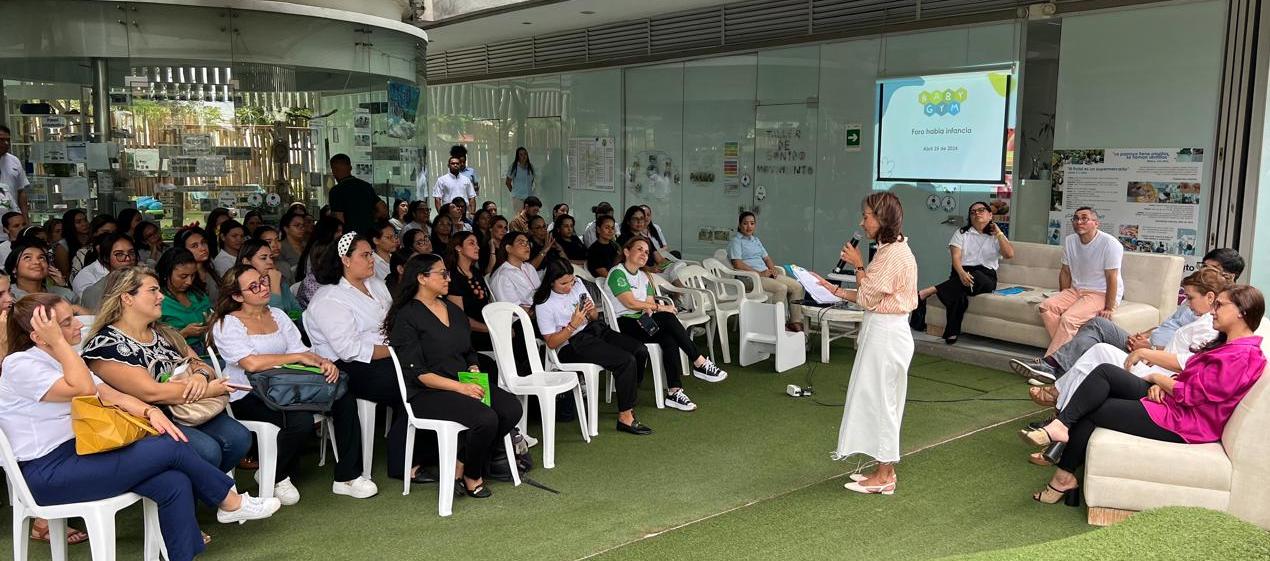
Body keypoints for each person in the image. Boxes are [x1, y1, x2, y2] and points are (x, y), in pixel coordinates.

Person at [0, 294, 279, 561]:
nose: (77, 324)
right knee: (172, 445)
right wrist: (59, 345)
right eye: (65, 323)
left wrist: (150, 411)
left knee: (174, 481)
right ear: (39, 336)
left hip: (83, 455)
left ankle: (183, 555)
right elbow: (82, 388)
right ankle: (229, 501)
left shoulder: (64, 358)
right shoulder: (20, 364)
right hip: (48, 473)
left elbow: (108, 394)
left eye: (72, 317)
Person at [1019, 285, 1265, 505]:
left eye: (1220, 305)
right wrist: (1166, 382)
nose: (1213, 311)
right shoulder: (1230, 346)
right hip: (1174, 402)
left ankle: (1063, 477)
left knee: (1093, 409)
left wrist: (1158, 379)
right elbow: (1193, 377)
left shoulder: (1240, 356)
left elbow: (1193, 395)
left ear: (1242, 311)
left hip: (1185, 422)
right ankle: (1061, 426)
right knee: (1106, 373)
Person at [210, 265, 378, 502]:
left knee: (342, 397)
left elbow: (302, 351)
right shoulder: (227, 323)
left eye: (263, 281)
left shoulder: (277, 315)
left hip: (288, 386)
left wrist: (322, 363)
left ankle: (347, 477)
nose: (263, 288)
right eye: (254, 286)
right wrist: (297, 358)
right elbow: (251, 364)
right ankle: (275, 475)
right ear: (237, 296)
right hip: (248, 394)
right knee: (300, 420)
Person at [82, 266, 252, 473]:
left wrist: (200, 377)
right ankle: (213, 495)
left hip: (186, 410)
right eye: (153, 290)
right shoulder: (106, 345)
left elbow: (201, 364)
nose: (161, 296)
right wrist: (208, 390)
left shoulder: (163, 333)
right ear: (127, 298)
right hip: (147, 421)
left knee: (240, 438)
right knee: (208, 451)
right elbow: (151, 392)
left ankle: (211, 493)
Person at [386, 253, 522, 497]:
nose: (448, 278)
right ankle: (473, 474)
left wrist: (472, 369)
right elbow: (417, 374)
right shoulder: (407, 316)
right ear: (422, 278)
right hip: (428, 393)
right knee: (486, 418)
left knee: (511, 408)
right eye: (442, 273)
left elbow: (468, 351)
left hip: (462, 384)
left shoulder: (452, 309)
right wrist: (461, 388)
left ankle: (462, 462)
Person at [1012, 249, 1245, 384]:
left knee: (1095, 347)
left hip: (1156, 359)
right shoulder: (1193, 300)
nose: (1201, 272)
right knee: (1098, 325)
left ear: (1228, 276)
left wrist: (1150, 349)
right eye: (1203, 266)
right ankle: (1052, 366)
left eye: (1210, 269)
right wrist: (1143, 336)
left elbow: (1190, 355)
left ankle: (1054, 374)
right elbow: (1168, 324)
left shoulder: (1221, 312)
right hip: (1148, 346)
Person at [816, 192, 917, 495]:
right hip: (882, 329)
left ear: (883, 218)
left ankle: (885, 473)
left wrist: (858, 265)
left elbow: (870, 294)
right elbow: (868, 297)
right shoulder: (889, 250)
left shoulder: (894, 254)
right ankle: (883, 469)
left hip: (887, 333)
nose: (862, 222)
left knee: (882, 401)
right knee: (876, 398)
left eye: (867, 216)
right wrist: (832, 288)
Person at [1037, 267, 1229, 418]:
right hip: (1154, 363)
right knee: (1097, 350)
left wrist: (1149, 354)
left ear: (1210, 297)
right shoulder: (1201, 319)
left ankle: (1059, 401)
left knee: (1098, 353)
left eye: (1191, 298)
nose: (1187, 303)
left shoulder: (1208, 326)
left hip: (1157, 375)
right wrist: (1146, 342)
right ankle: (1060, 411)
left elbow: (1192, 365)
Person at [303, 233, 404, 474]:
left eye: (371, 254)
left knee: (422, 374)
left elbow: (394, 322)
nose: (372, 260)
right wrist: (395, 351)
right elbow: (349, 350)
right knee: (407, 382)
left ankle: (416, 453)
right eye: (365, 255)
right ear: (345, 260)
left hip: (386, 355)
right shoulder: (330, 297)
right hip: (346, 367)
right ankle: (403, 461)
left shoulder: (376, 285)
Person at [608, 237, 728, 411]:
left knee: (669, 338)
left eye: (647, 252)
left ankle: (674, 391)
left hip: (641, 322)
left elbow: (647, 305)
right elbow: (630, 303)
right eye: (639, 249)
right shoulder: (617, 273)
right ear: (627, 251)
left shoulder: (644, 276)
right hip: (623, 325)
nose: (644, 254)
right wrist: (659, 308)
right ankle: (699, 361)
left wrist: (651, 310)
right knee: (667, 317)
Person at [536, 259, 651, 435]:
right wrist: (572, 325)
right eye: (563, 283)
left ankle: (628, 399)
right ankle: (625, 417)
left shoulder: (577, 284)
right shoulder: (544, 303)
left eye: (571, 281)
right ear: (551, 282)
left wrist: (591, 312)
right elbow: (551, 342)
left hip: (593, 330)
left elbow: (595, 316)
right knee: (625, 360)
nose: (569, 286)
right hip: (571, 344)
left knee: (640, 350)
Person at [911, 201, 1014, 344]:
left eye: (981, 210)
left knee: (976, 276)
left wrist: (999, 233)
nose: (976, 213)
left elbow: (1009, 254)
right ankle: (951, 333)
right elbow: (956, 258)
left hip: (985, 278)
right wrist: (961, 273)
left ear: (990, 215)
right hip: (961, 271)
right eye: (973, 212)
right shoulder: (961, 233)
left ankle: (928, 291)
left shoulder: (996, 236)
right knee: (958, 296)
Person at [1038, 207, 1124, 356]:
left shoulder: (1110, 243)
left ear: (1096, 223)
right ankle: (1068, 354)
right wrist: (1064, 296)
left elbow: (1112, 278)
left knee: (1068, 318)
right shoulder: (1070, 241)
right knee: (1046, 307)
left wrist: (1109, 308)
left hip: (1101, 292)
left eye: (1084, 218)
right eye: (1076, 218)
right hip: (1076, 290)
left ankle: (1050, 362)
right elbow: (1065, 271)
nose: (1079, 222)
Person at [728, 211, 806, 332]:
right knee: (781, 288)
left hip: (765, 274)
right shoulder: (736, 241)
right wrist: (758, 273)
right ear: (739, 225)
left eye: (752, 223)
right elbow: (737, 263)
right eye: (745, 223)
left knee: (797, 286)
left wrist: (772, 269)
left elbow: (766, 258)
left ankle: (795, 322)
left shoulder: (755, 240)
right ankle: (775, 325)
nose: (749, 227)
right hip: (749, 278)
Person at [158, 248, 214, 354]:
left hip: (209, 350)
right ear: (166, 274)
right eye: (183, 276)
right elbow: (155, 341)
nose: (189, 282)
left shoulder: (199, 295)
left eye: (192, 276)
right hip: (180, 354)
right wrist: (184, 333)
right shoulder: (159, 301)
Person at [446, 231, 496, 352]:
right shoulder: (452, 277)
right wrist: (492, 329)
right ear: (458, 248)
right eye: (471, 243)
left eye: (477, 244)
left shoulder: (475, 272)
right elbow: (460, 319)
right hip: (470, 335)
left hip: (487, 329)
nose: (477, 247)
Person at [237, 239, 302, 314]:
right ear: (246, 262)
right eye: (263, 258)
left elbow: (297, 312)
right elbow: (273, 319)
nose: (270, 262)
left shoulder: (278, 280)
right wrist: (275, 287)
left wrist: (290, 319)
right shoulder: (245, 289)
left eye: (271, 257)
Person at [77, 233, 138, 312]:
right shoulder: (94, 292)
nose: (128, 258)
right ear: (106, 258)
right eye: (119, 254)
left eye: (131, 253)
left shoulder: (146, 282)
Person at [7, 240, 75, 303]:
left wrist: (63, 286)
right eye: (27, 257)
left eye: (41, 258)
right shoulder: (6, 296)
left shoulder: (62, 293)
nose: (37, 262)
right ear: (14, 268)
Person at [327, 153, 379, 235]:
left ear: (334, 170)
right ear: (350, 168)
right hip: (369, 235)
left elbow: (338, 218)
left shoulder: (336, 191)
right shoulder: (366, 186)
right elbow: (382, 209)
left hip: (350, 238)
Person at [489, 232, 540, 310]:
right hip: (523, 320)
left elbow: (540, 293)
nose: (527, 246)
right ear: (509, 248)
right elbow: (513, 310)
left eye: (527, 242)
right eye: (521, 243)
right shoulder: (502, 276)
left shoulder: (529, 267)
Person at [173, 227, 220, 302]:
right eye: (194, 246)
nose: (203, 248)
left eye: (203, 242)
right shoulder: (182, 277)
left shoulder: (212, 269)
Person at [617, 206, 669, 271]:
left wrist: (670, 265)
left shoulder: (646, 239)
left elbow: (660, 260)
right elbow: (627, 263)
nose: (639, 221)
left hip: (655, 272)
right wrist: (649, 269)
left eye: (641, 218)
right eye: (635, 219)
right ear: (628, 221)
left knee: (677, 268)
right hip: (639, 274)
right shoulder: (622, 239)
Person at [69, 214, 116, 282]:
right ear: (94, 233)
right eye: (106, 232)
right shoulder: (83, 253)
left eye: (114, 233)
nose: (111, 236)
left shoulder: (122, 250)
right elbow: (75, 280)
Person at [0, 125, 29, 221]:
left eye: (8, 140)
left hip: (13, 221)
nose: (6, 143)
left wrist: (25, 219)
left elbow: (21, 191)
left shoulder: (14, 161)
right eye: (1, 140)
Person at [53, 208, 89, 280]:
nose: (84, 224)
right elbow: (65, 274)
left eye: (85, 220)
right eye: (78, 222)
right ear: (70, 225)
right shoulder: (62, 246)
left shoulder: (91, 239)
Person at [278, 209, 309, 274]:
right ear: (286, 229)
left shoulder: (307, 245)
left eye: (303, 225)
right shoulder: (280, 247)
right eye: (297, 225)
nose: (301, 228)